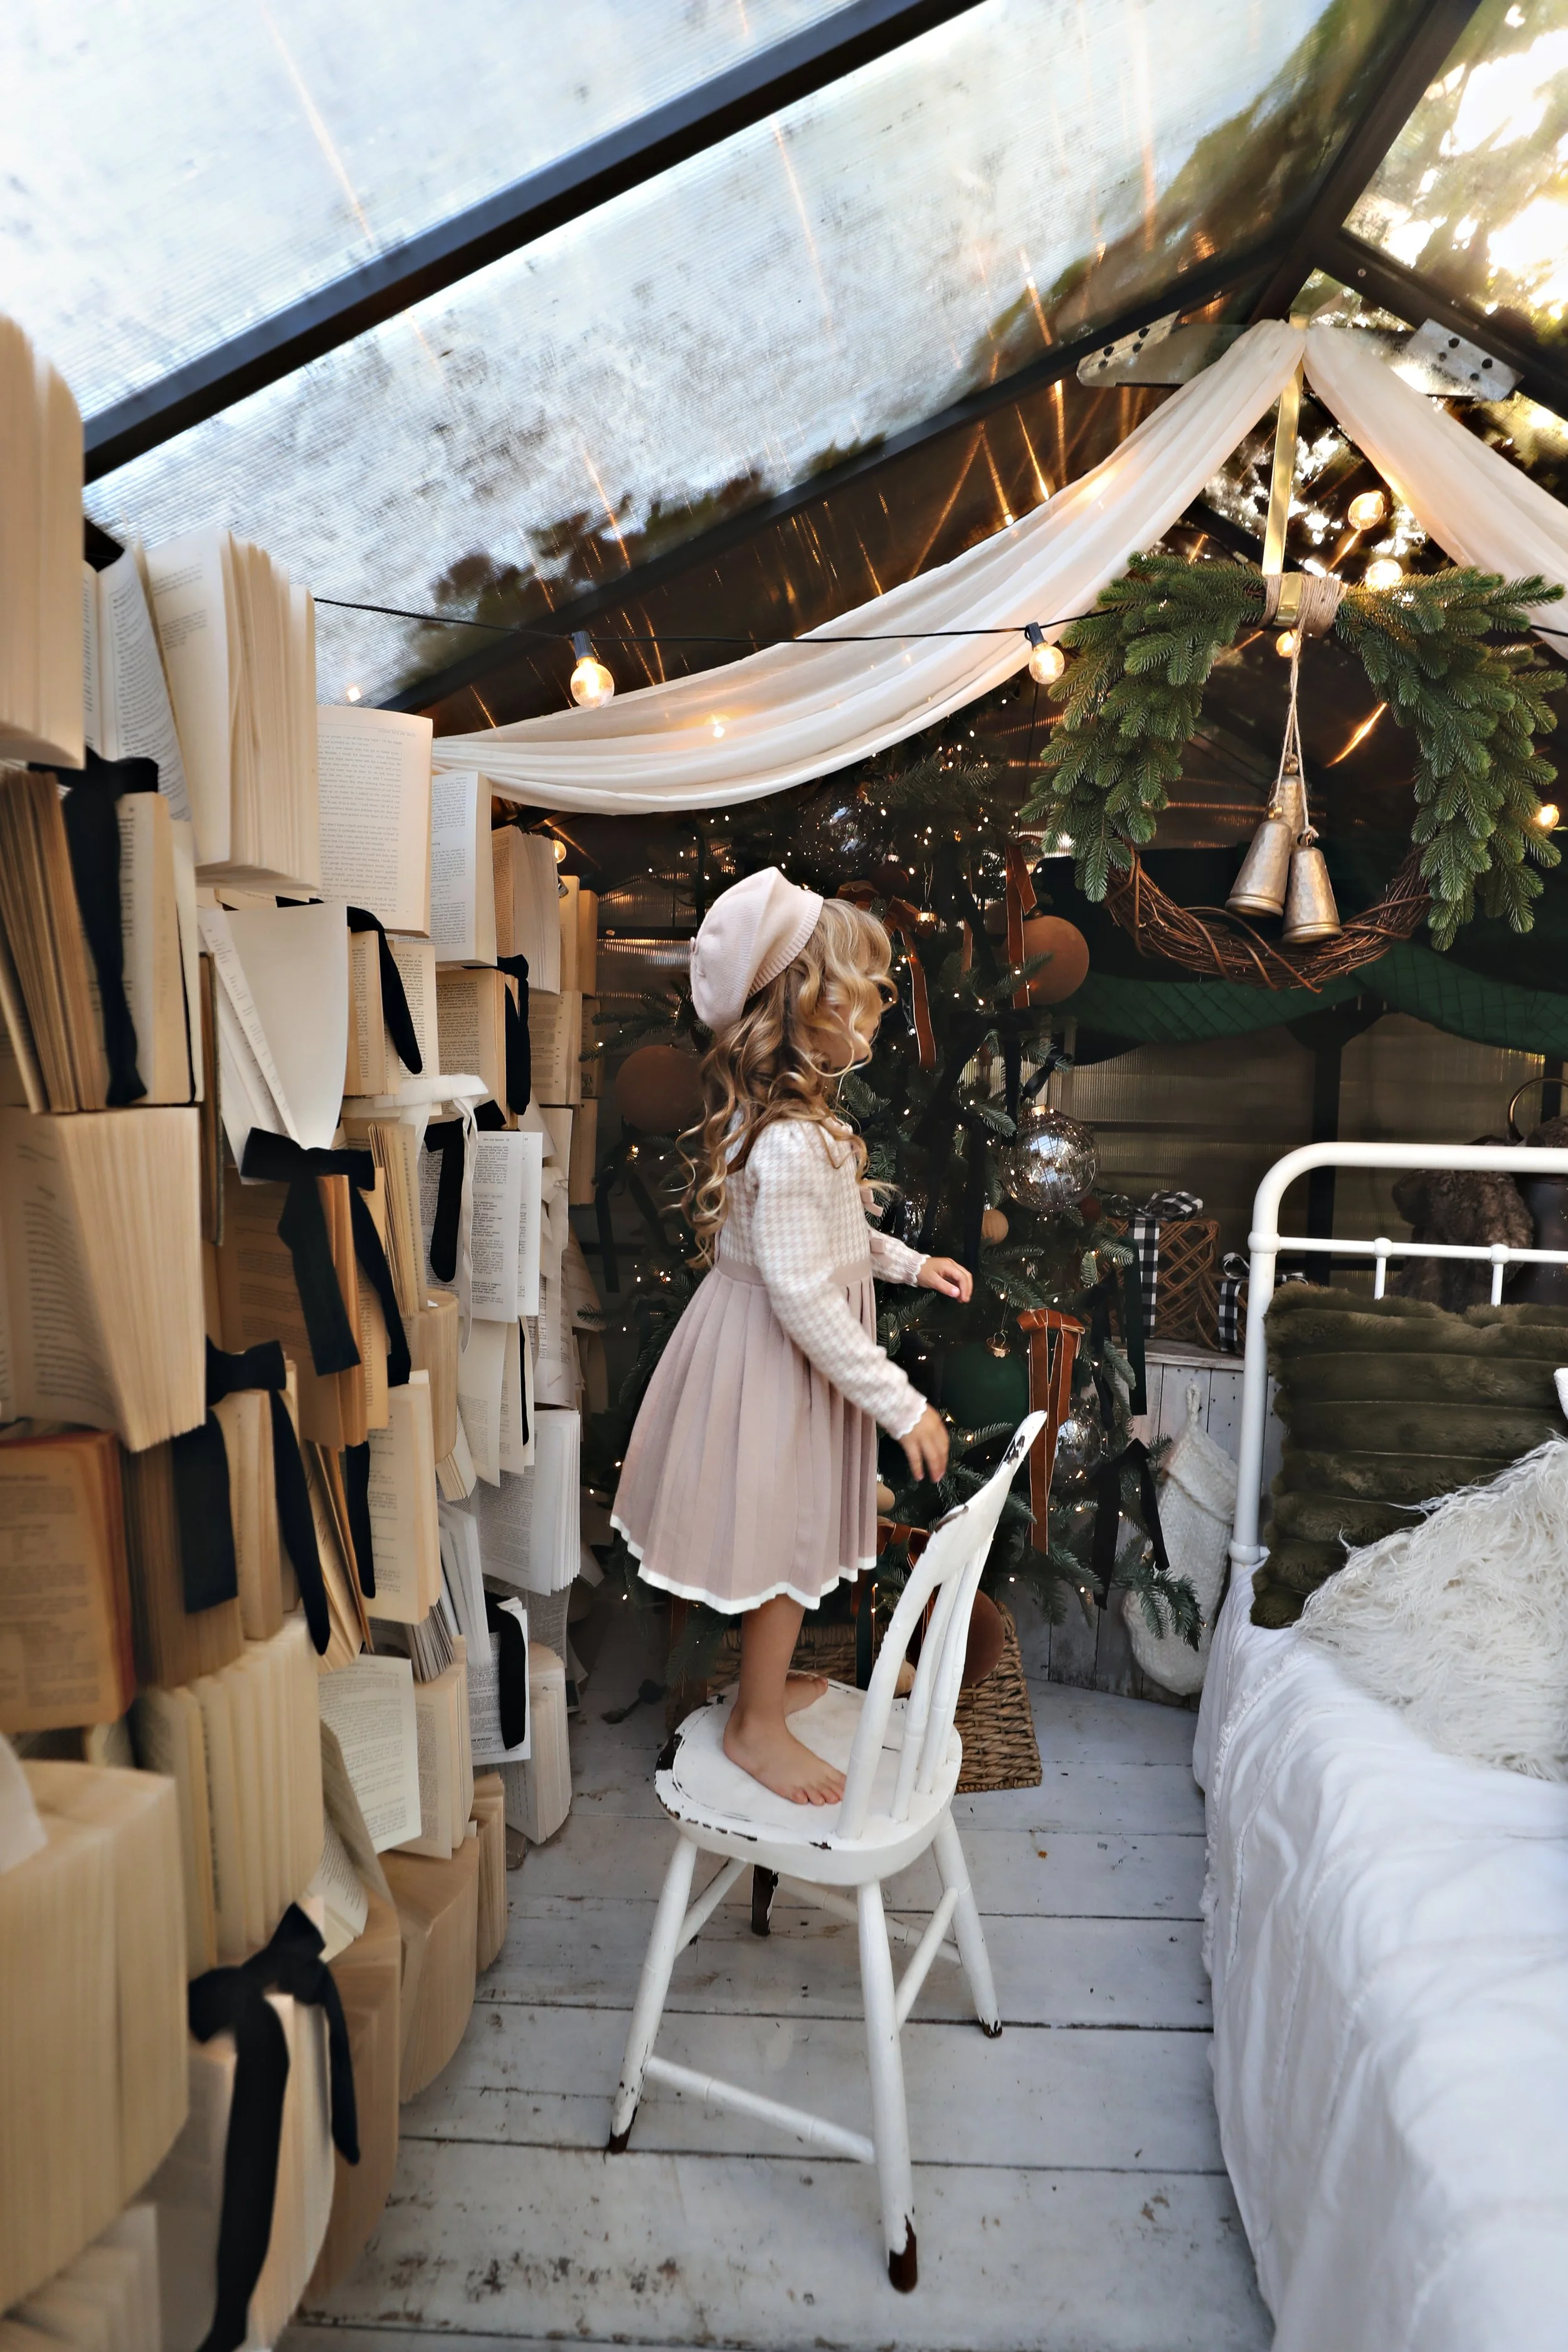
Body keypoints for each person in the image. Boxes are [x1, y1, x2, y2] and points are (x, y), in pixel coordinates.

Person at [612, 867, 972, 1806]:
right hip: (776, 1364)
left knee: (797, 1532)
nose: (885, 997)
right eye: (865, 981)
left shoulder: (802, 1129)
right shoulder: (785, 1140)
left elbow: (834, 1234)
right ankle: (755, 1723)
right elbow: (806, 1295)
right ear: (804, 1006)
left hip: (778, 1355)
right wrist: (901, 1403)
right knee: (780, 1539)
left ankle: (764, 1690)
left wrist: (907, 1264)